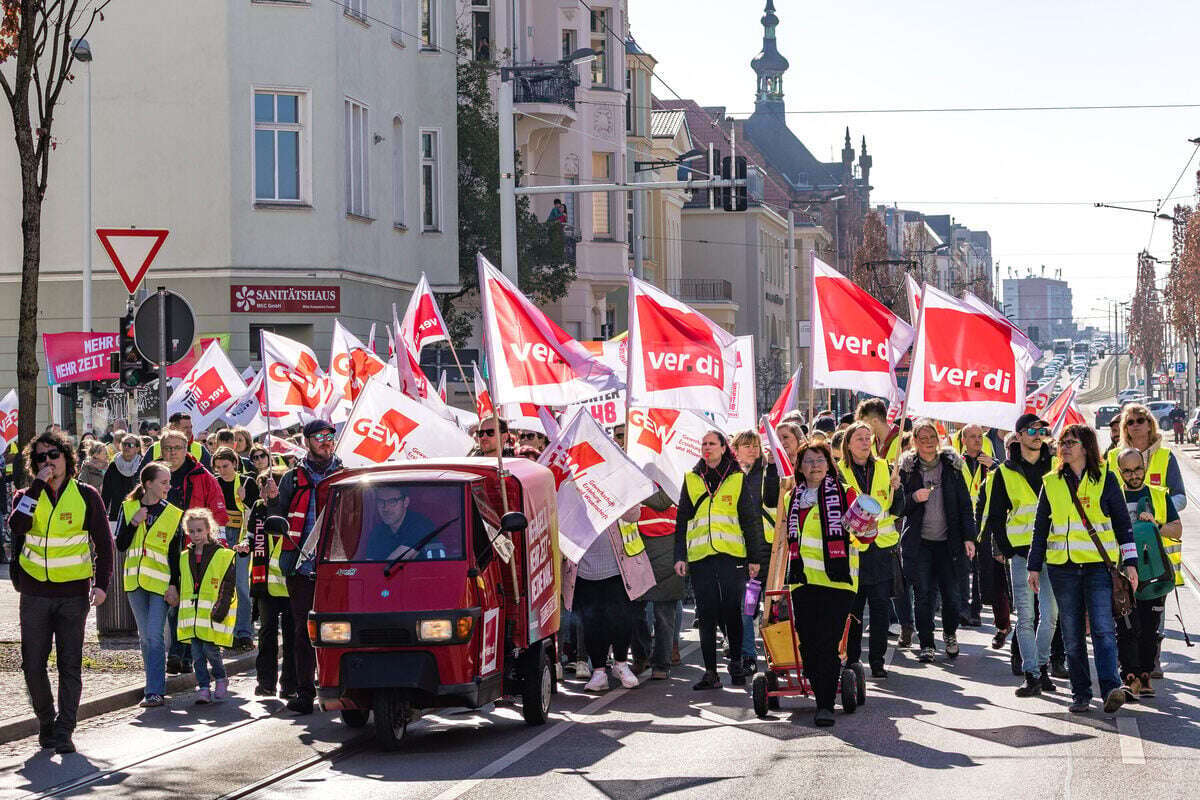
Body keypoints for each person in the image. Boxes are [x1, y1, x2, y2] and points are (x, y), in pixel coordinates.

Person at [8, 430, 113, 753]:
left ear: (67, 459)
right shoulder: (26, 495)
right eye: (40, 457)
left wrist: (102, 585)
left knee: (70, 664)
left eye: (53, 455)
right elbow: (17, 526)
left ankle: (65, 729)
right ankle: (46, 721)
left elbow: (104, 544)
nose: (48, 462)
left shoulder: (86, 495)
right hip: (35, 593)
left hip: (73, 595)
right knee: (32, 664)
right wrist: (38, 485)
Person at [1029, 423, 1137, 714]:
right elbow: (1041, 527)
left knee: (1102, 629)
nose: (1064, 447)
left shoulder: (1106, 479)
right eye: (1062, 442)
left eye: (1071, 442)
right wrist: (1033, 566)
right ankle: (1081, 693)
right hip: (1062, 568)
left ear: (1087, 447)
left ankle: (1111, 688)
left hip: (1097, 567)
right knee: (1072, 634)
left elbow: (1123, 525)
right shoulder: (1051, 481)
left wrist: (1131, 563)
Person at [673, 431, 768, 690]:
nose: (707, 447)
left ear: (724, 448)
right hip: (701, 556)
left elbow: (750, 521)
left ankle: (736, 664)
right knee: (706, 614)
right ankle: (710, 673)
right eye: (703, 444)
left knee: (731, 611)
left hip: (731, 556)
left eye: (712, 444)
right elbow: (682, 520)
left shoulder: (737, 478)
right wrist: (680, 556)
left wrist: (754, 557)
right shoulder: (692, 479)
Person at [780, 440, 863, 727]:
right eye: (808, 461)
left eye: (819, 460)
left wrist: (868, 526)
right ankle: (822, 690)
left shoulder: (845, 493)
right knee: (808, 643)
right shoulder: (794, 497)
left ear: (829, 464)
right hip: (803, 581)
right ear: (799, 468)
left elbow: (865, 536)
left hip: (838, 582)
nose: (814, 466)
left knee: (827, 643)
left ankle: (824, 704)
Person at [981, 415, 1060, 696]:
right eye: (1032, 431)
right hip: (1022, 554)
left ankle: (1042, 666)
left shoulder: (1055, 465)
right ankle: (1032, 674)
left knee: (1050, 615)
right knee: (1025, 616)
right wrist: (1007, 548)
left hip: (1054, 551)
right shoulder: (1005, 471)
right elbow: (996, 515)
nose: (1038, 435)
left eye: (1042, 430)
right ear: (1019, 435)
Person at [896, 419, 978, 664]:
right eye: (923, 438)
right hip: (920, 544)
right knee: (923, 596)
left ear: (938, 439)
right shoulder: (907, 470)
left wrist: (969, 538)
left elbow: (965, 505)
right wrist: (913, 497)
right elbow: (897, 506)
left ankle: (950, 633)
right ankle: (927, 644)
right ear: (915, 442)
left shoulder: (952, 466)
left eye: (932, 437)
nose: (929, 442)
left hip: (949, 543)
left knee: (952, 597)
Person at [277, 420, 344, 714]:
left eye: (330, 436)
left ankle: (342, 687)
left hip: (340, 567)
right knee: (303, 631)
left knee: (340, 630)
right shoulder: (290, 479)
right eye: (319, 437)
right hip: (302, 566)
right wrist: (269, 504)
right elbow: (277, 516)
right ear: (306, 441)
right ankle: (305, 692)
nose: (326, 441)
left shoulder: (347, 474)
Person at [114, 462, 183, 708]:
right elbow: (120, 545)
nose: (168, 486)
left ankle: (154, 690)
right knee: (145, 639)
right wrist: (133, 523)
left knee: (154, 636)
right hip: (135, 583)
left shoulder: (174, 514)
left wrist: (176, 586)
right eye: (164, 482)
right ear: (149, 484)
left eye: (168, 482)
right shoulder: (128, 507)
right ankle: (152, 685)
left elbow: (176, 555)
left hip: (161, 585)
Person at [838, 421, 905, 676]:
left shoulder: (886, 468)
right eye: (859, 438)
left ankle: (877, 661)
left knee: (879, 609)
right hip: (853, 549)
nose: (866, 442)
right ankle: (853, 661)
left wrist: (898, 490)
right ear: (848, 443)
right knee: (853, 610)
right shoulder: (838, 471)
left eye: (868, 438)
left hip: (880, 549)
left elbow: (898, 508)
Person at [159, 429, 228, 675]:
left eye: (177, 448)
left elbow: (219, 514)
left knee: (190, 602)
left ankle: (182, 655)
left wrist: (215, 547)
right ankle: (180, 654)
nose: (172, 453)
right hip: (164, 547)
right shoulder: (156, 475)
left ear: (186, 448)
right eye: (167, 448)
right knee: (173, 600)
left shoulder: (202, 476)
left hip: (194, 548)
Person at [1115, 448, 1180, 699]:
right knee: (1126, 627)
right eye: (1128, 471)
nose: (1134, 475)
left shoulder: (1157, 496)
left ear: (1144, 466)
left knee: (1149, 627)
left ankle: (1145, 675)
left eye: (1137, 469)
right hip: (1122, 574)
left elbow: (1177, 528)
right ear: (1120, 472)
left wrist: (1156, 525)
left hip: (1153, 574)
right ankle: (1129, 676)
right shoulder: (1114, 496)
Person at [571, 505, 655, 692]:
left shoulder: (616, 484)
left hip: (617, 569)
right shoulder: (573, 488)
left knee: (621, 620)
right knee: (592, 623)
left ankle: (621, 664)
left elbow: (635, 515)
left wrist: (617, 502)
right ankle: (599, 672)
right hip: (585, 571)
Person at [177, 508, 237, 705]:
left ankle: (220, 678)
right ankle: (203, 687)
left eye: (199, 531)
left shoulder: (222, 555)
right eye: (192, 531)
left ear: (209, 529)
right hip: (193, 618)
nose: (196, 535)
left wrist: (221, 608)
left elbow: (228, 584)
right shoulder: (185, 556)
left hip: (211, 615)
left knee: (211, 651)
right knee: (196, 656)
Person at [245, 468, 296, 698]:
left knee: (292, 634)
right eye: (264, 487)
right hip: (264, 582)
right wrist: (245, 546)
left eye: (273, 487)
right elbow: (251, 536)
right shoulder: (257, 508)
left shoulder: (291, 509)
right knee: (266, 633)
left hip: (290, 583)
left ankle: (290, 684)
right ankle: (265, 682)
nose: (268, 492)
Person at [732, 430, 778, 674]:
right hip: (742, 552)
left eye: (755, 445)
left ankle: (776, 655)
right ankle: (748, 654)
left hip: (767, 552)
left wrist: (771, 466)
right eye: (746, 445)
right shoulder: (729, 475)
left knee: (771, 607)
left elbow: (772, 499)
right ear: (735, 449)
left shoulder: (766, 471)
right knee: (747, 607)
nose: (752, 449)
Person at [627, 495, 682, 680]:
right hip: (670, 554)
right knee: (665, 616)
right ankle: (661, 665)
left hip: (638, 552)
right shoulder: (674, 484)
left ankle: (641, 658)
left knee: (635, 612)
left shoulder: (638, 486)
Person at [212, 447, 259, 650]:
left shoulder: (248, 482)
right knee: (222, 586)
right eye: (219, 466)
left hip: (242, 538)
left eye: (226, 466)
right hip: (221, 537)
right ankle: (225, 632)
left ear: (235, 464)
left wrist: (245, 499)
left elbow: (256, 510)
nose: (222, 470)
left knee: (241, 586)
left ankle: (244, 632)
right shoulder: (215, 482)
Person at [957, 425, 994, 628]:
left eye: (980, 436)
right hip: (963, 521)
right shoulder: (956, 462)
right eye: (972, 437)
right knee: (962, 567)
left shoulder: (989, 462)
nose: (977, 440)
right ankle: (962, 608)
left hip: (983, 521)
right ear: (964, 440)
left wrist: (994, 465)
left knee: (980, 568)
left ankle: (975, 610)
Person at [361, 485, 442, 560]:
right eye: (381, 501)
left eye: (392, 501)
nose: (385, 508)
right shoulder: (377, 532)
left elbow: (393, 563)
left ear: (405, 502)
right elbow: (370, 564)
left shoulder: (421, 526)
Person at [101, 434, 144, 520]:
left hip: (138, 513)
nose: (126, 447)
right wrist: (101, 515)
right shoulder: (113, 466)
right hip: (117, 513)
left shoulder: (143, 465)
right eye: (124, 444)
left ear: (137, 448)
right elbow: (106, 493)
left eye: (130, 445)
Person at [855, 398, 902, 465]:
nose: (861, 427)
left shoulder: (903, 440)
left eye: (864, 423)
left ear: (875, 421)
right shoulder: (869, 442)